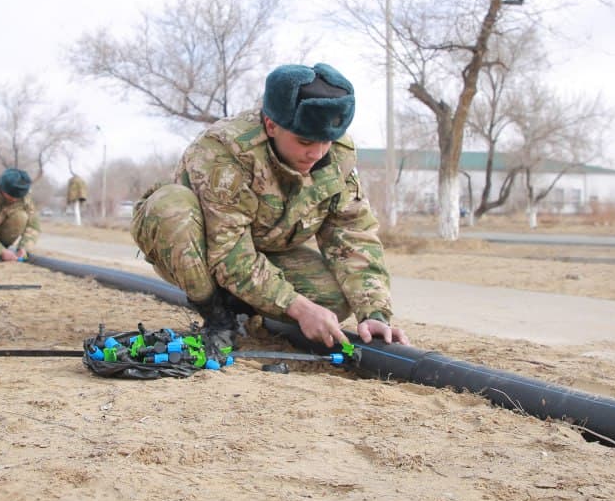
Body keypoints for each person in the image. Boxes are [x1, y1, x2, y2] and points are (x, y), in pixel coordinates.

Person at [131, 62, 408, 353]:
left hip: (264, 250)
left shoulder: (337, 155)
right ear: (271, 125)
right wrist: (298, 308)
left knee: (333, 300)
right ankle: (217, 315)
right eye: (304, 141)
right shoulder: (226, 152)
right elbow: (229, 253)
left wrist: (374, 312)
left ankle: (243, 305)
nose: (317, 153)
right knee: (171, 207)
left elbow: (352, 233)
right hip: (199, 246)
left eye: (326, 141)